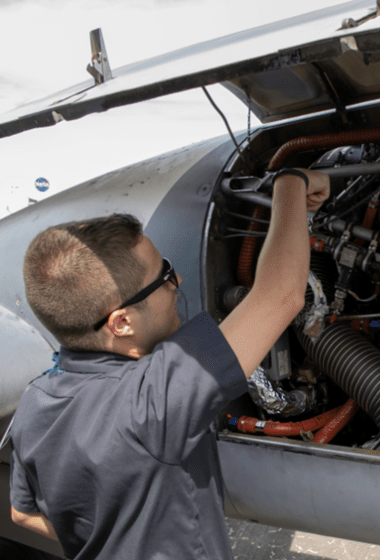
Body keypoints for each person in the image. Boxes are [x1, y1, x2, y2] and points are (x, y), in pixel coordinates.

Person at [8, 169, 329, 559]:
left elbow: (22, 514)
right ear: (121, 322)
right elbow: (281, 294)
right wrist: (291, 183)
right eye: (162, 276)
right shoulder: (153, 401)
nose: (176, 278)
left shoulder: (33, 403)